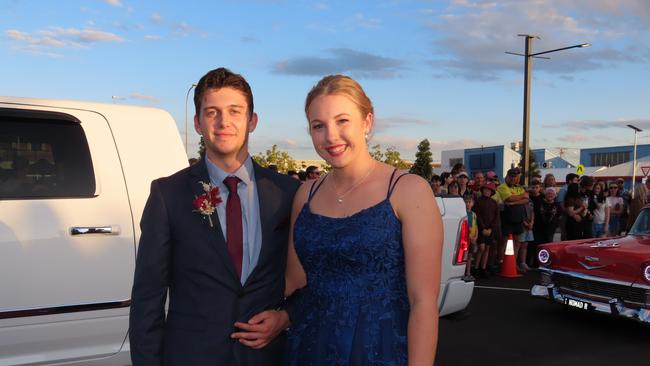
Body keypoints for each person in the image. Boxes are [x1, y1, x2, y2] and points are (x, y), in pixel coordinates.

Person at [129, 67, 300, 366]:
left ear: (252, 120)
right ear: (197, 123)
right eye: (212, 112)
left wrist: (286, 317)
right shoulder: (167, 195)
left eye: (235, 111)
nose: (224, 122)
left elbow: (317, 279)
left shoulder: (287, 193)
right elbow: (148, 298)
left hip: (268, 358)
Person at [284, 74, 443, 365]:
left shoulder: (408, 191)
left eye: (342, 121)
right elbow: (294, 281)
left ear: (367, 122)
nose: (331, 136)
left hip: (380, 347)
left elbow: (423, 302)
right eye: (318, 126)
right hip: (310, 346)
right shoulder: (305, 194)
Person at [496, 168, 528, 267]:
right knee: (504, 242)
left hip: (518, 218)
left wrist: (514, 202)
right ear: (507, 176)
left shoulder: (518, 187)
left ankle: (512, 263)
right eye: (512, 177)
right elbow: (509, 198)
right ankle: (501, 262)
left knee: (517, 242)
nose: (514, 179)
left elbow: (526, 198)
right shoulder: (502, 187)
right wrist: (521, 196)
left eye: (516, 177)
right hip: (506, 218)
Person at [473, 182, 499, 278]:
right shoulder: (478, 201)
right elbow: (477, 216)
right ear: (482, 190)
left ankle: (483, 268)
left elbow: (496, 217)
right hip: (481, 229)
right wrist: (483, 228)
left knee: (487, 248)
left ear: (492, 192)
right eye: (485, 189)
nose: (487, 191)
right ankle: (476, 268)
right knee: (481, 248)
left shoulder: (494, 203)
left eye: (489, 190)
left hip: (490, 229)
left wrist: (491, 229)